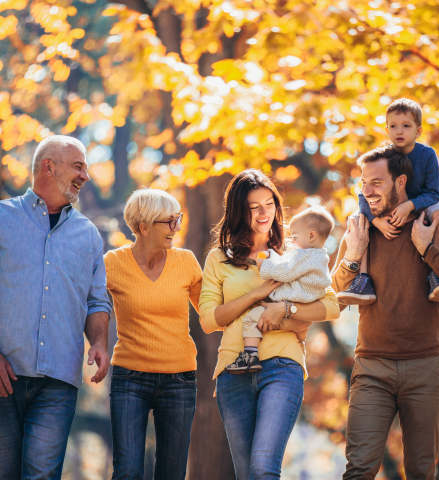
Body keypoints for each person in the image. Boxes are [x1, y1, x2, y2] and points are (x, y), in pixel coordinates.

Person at [332, 145, 439, 479]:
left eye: (376, 183)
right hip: (372, 367)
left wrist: (428, 251)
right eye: (363, 182)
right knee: (358, 470)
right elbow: (333, 300)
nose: (366, 191)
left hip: (425, 367)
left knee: (420, 471)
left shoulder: (435, 225)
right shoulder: (360, 230)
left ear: (400, 182)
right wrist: (353, 255)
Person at [199, 169, 340, 480]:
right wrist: (259, 293)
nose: (265, 213)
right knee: (247, 474)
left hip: (281, 366)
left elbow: (331, 306)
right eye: (254, 207)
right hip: (233, 372)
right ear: (239, 211)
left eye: (270, 204)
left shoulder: (296, 253)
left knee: (263, 469)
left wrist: (286, 309)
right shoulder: (218, 259)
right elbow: (209, 320)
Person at [0, 135, 112, 480]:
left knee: (42, 476)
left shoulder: (89, 235)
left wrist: (99, 341)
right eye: (78, 166)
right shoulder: (3, 219)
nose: (86, 176)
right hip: (4, 376)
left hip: (57, 382)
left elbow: (97, 299)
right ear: (49, 166)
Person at [104, 188, 202, 480]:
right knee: (127, 472)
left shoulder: (186, 261)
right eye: (169, 221)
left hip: (180, 380)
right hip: (129, 379)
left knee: (171, 474)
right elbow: (87, 303)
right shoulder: (113, 263)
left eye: (178, 219)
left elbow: (213, 315)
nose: (177, 227)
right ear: (143, 227)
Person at [337, 98, 439, 305]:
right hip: (384, 209)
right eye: (393, 126)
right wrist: (374, 220)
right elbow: (365, 193)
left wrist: (410, 205)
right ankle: (362, 280)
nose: (399, 131)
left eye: (406, 126)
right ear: (387, 130)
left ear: (418, 131)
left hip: (421, 205)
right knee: (357, 221)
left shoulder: (427, 155)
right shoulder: (385, 156)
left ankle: (438, 274)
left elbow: (434, 194)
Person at [225, 206, 334, 374]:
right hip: (307, 301)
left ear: (311, 235)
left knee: (251, 319)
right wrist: (272, 256)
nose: (292, 241)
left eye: (295, 237)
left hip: (294, 297)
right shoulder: (319, 256)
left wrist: (265, 265)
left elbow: (285, 271)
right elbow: (287, 262)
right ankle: (300, 348)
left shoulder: (302, 255)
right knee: (300, 335)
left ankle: (250, 357)